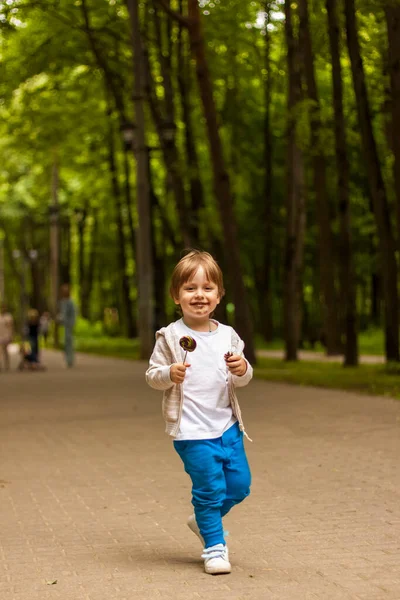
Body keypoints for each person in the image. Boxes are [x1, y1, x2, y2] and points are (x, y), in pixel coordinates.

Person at [145, 250, 253, 575]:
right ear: (176, 296)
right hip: (192, 432)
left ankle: (203, 521)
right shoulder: (171, 336)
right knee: (208, 491)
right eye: (190, 288)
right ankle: (214, 547)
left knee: (239, 485)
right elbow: (152, 376)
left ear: (219, 295)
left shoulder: (228, 335)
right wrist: (169, 374)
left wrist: (242, 367)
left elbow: (244, 378)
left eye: (207, 288)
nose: (199, 295)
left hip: (228, 428)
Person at [59, 284, 76, 367]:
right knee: (66, 342)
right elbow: (63, 313)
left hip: (69, 324)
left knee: (69, 341)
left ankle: (70, 360)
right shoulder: (63, 302)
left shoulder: (70, 302)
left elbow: (73, 314)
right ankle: (67, 359)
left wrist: (72, 323)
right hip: (65, 325)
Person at [0, 303, 14, 372]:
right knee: (0, 351)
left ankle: (7, 365)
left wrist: (11, 336)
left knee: (5, 351)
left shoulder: (8, 316)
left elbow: (11, 326)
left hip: (6, 336)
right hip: (0, 336)